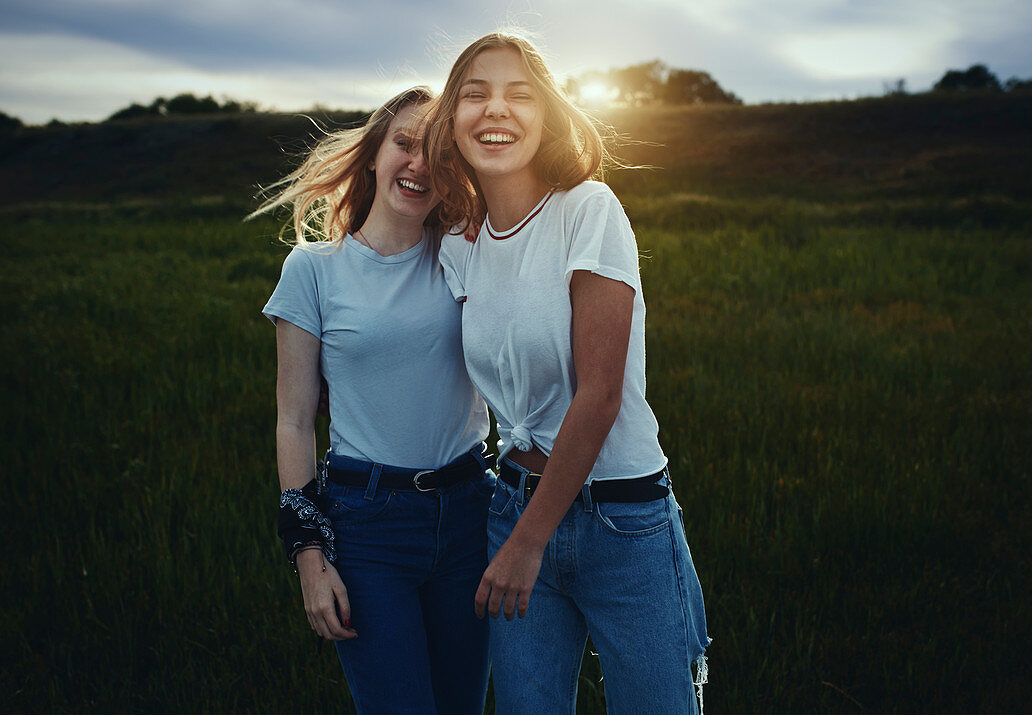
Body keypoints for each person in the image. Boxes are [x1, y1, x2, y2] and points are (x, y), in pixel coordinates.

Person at [423, 33, 710, 713]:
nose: (496, 110)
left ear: (549, 115)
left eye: (519, 95)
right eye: (475, 94)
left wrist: (529, 542)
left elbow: (600, 393)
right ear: (452, 120)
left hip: (621, 521)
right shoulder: (463, 244)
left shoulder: (589, 211)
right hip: (513, 502)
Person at [254, 87, 494, 714]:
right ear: (374, 152)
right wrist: (308, 553)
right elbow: (294, 420)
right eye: (405, 144)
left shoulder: (466, 255)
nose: (418, 165)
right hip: (368, 527)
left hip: (472, 515)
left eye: (438, 154)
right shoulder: (313, 269)